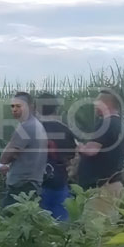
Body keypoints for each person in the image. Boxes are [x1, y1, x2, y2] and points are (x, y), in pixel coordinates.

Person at [77, 90, 124, 218]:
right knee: (108, 227)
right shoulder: (120, 125)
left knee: (95, 229)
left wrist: (79, 147)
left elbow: (91, 151)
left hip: (102, 188)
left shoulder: (106, 123)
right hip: (114, 185)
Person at [0, 92, 48, 207]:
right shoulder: (37, 125)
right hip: (32, 184)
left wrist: (10, 147)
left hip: (22, 186)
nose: (14, 109)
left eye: (19, 106)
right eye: (13, 106)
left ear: (30, 107)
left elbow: (4, 158)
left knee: (5, 219)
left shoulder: (26, 127)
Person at [37, 93, 77, 221]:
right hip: (60, 181)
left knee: (39, 223)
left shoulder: (31, 129)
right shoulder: (66, 130)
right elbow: (75, 156)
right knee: (61, 224)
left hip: (37, 182)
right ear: (56, 108)